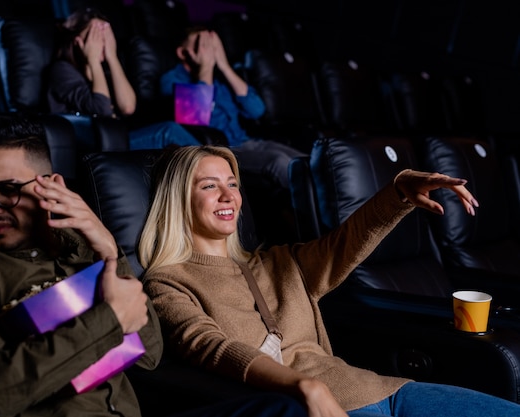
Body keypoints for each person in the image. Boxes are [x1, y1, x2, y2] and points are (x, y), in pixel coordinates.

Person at [0, 114, 311, 417]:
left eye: (7, 190)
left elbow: (148, 354)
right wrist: (108, 320)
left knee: (283, 409)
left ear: (51, 185)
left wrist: (107, 248)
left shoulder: (81, 249)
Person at [138, 145, 520, 417]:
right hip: (315, 408)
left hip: (386, 390)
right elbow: (213, 348)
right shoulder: (167, 283)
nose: (228, 195)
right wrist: (307, 386)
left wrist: (399, 190)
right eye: (209, 185)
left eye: (233, 183)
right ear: (178, 201)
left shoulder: (279, 262)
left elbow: (346, 244)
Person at [160, 27, 307, 192]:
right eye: (202, 44)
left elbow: (257, 110)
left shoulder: (221, 79)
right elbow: (194, 121)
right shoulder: (172, 79)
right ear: (182, 52)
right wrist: (206, 68)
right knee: (279, 161)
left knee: (306, 161)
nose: (209, 49)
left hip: (249, 142)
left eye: (212, 45)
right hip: (222, 151)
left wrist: (224, 65)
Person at [46, 7, 202, 150]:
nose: (103, 41)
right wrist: (93, 60)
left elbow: (128, 107)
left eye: (106, 34)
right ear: (78, 41)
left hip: (115, 139)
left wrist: (112, 56)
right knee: (167, 132)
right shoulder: (62, 70)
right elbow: (103, 110)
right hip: (89, 143)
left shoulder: (104, 73)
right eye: (96, 34)